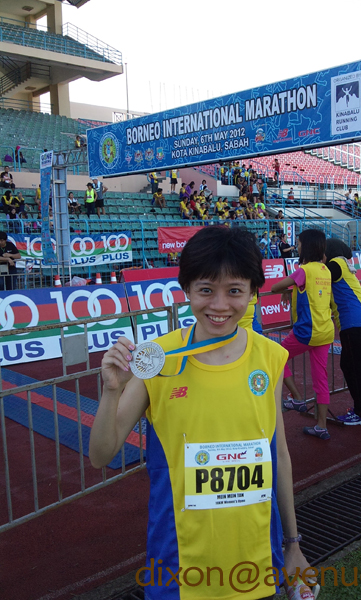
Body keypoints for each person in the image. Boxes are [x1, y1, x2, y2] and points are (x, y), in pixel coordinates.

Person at [89, 226, 311, 598]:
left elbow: (280, 456)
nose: (220, 305)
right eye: (206, 290)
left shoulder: (270, 357)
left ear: (253, 293)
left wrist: (292, 544)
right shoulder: (157, 360)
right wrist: (112, 391)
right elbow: (101, 454)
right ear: (187, 290)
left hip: (257, 566)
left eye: (234, 291)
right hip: (178, 573)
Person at [271, 229, 334, 440]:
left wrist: (286, 290)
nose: (297, 246)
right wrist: (292, 290)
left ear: (306, 246)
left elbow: (275, 287)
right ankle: (322, 426)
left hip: (307, 331)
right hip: (325, 331)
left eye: (298, 243)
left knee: (276, 356)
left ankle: (297, 397)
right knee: (321, 379)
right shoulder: (325, 270)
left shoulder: (304, 270)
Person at [325, 239, 361, 425]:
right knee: (351, 366)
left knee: (355, 368)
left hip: (354, 323)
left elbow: (315, 279)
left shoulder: (335, 264)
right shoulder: (343, 264)